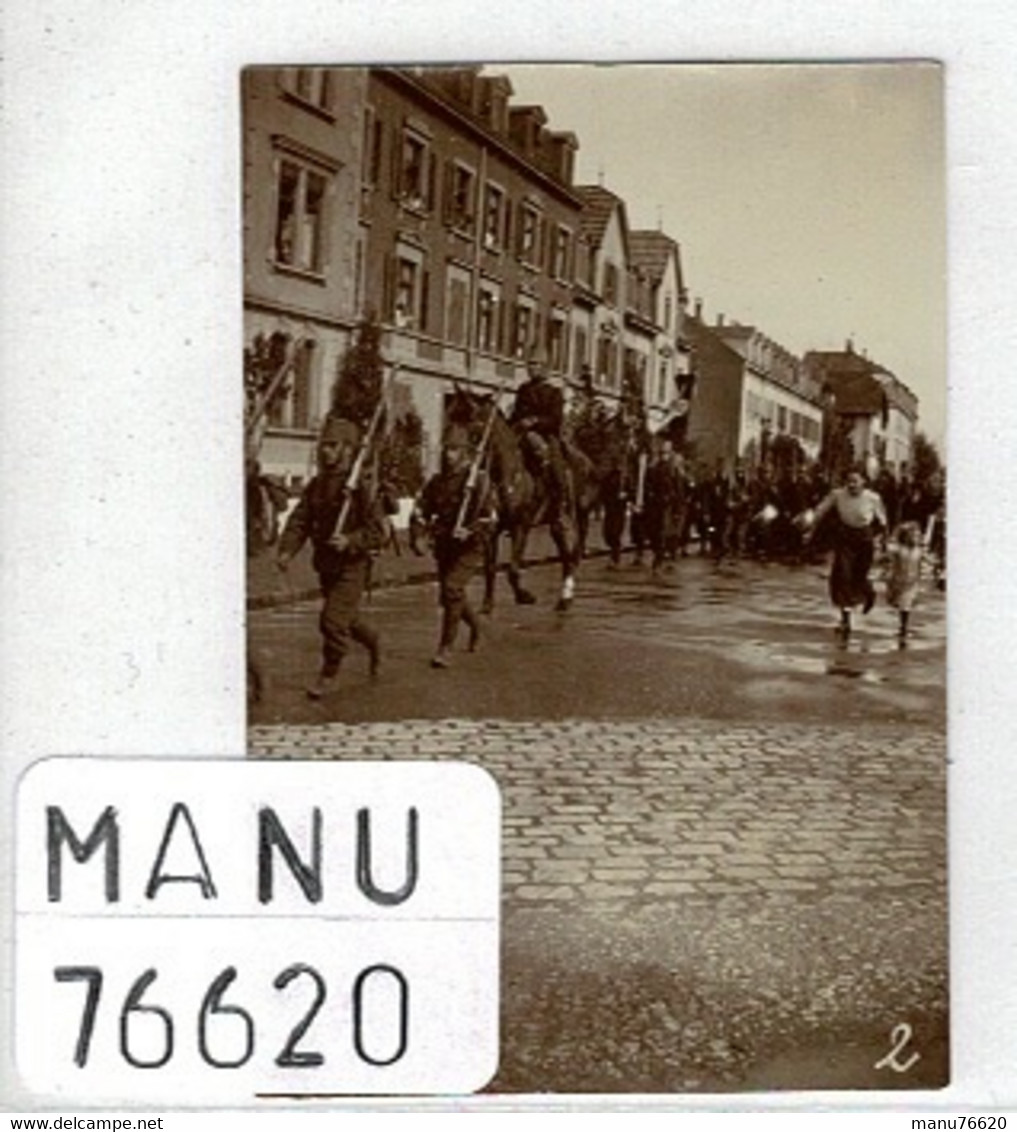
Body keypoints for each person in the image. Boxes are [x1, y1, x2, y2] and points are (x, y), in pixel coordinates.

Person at [276, 415, 385, 699]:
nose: (326, 451)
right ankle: (372, 641)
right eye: (324, 445)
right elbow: (300, 520)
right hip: (326, 564)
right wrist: (287, 550)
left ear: (348, 449)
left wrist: (350, 539)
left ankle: (329, 674)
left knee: (332, 621)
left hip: (353, 566)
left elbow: (377, 532)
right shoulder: (317, 485)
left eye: (333, 445)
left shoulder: (361, 488)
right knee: (347, 620)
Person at [415, 423, 494, 669]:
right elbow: (420, 511)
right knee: (450, 595)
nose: (447, 455)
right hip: (445, 545)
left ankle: (445, 647)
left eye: (453, 450)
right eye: (446, 449)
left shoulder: (478, 481)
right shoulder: (437, 482)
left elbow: (491, 518)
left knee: (451, 588)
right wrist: (418, 535)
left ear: (465, 452)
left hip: (470, 547)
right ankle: (477, 626)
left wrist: (470, 530)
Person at [807, 464, 888, 638]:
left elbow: (883, 521)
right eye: (849, 481)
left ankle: (869, 593)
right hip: (845, 537)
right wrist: (810, 527)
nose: (852, 485)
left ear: (863, 482)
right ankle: (845, 620)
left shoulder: (872, 498)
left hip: (865, 538)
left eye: (855, 481)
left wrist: (883, 541)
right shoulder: (837, 495)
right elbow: (820, 511)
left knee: (859, 576)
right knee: (843, 576)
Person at [510, 342, 570, 518]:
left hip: (547, 436)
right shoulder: (523, 389)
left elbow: (555, 419)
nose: (531, 367)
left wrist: (535, 421)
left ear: (545, 368)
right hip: (522, 434)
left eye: (536, 364)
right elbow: (516, 414)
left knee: (556, 467)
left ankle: (559, 503)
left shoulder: (554, 393)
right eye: (530, 363)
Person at [884, 520, 924, 643]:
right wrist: (896, 532)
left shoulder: (919, 551)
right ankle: (903, 626)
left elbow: (924, 564)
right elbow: (888, 547)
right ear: (904, 537)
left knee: (905, 605)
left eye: (917, 536)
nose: (915, 538)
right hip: (897, 581)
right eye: (911, 536)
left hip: (912, 583)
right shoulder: (898, 549)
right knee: (897, 602)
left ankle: (904, 627)